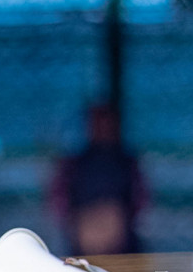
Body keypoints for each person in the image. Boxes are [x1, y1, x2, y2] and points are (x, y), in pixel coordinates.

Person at [51, 103, 146, 256]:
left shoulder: (126, 161)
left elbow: (140, 198)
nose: (104, 127)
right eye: (99, 122)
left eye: (108, 122)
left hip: (119, 231)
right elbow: (59, 198)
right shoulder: (75, 163)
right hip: (84, 227)